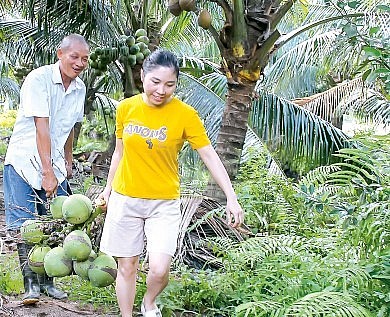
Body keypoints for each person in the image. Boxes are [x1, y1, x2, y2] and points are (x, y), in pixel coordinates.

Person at [98, 49, 244, 317]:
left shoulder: (185, 115)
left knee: (159, 269)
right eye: (155, 82)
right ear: (142, 76)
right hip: (125, 198)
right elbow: (119, 153)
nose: (161, 90)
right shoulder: (126, 108)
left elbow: (209, 155)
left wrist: (231, 197)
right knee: (127, 266)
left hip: (163, 202)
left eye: (170, 85)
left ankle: (149, 302)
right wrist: (107, 190)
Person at [3, 34, 89, 305]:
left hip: (55, 164)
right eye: (74, 56)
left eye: (84, 59)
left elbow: (70, 128)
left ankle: (48, 282)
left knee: (53, 224)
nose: (79, 63)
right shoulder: (38, 79)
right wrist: (47, 171)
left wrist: (68, 160)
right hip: (24, 161)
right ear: (59, 54)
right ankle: (30, 284)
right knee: (26, 226)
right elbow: (43, 126)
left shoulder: (80, 87)